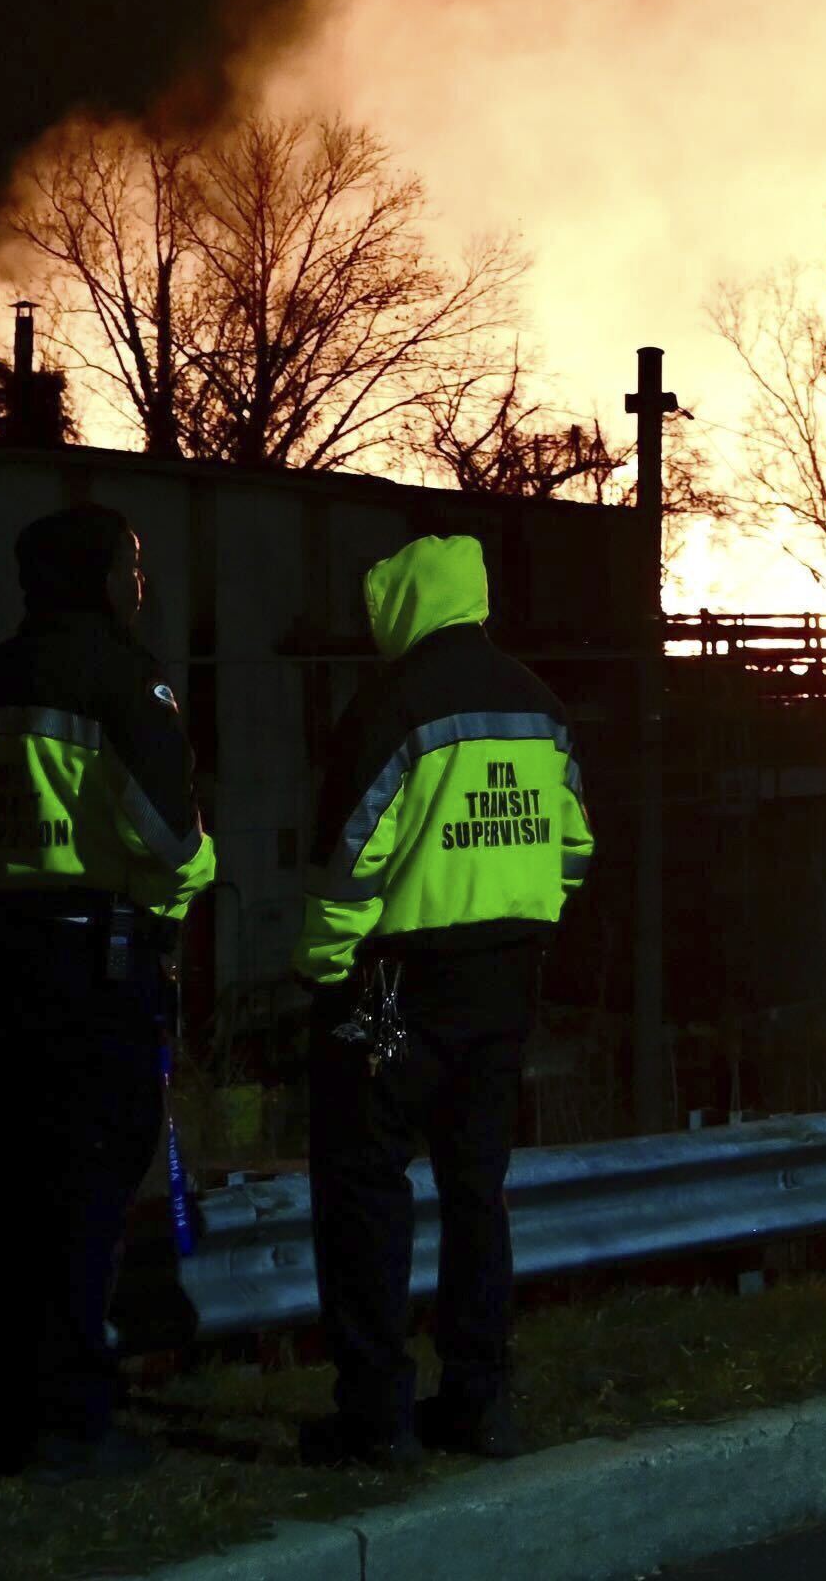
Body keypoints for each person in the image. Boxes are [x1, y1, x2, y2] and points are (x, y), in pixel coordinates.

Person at [0, 502, 215, 1479]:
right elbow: (169, 842)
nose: (141, 583)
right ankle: (73, 1421)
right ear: (94, 575)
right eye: (130, 564)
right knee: (87, 1191)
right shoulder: (127, 684)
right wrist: (175, 893)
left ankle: (7, 1416)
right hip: (98, 964)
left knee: (7, 1190)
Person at [291, 531, 594, 1465]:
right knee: (477, 1194)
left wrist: (323, 966)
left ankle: (378, 1416)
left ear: (405, 604)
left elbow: (349, 861)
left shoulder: (391, 705)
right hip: (507, 983)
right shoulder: (540, 705)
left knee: (365, 1185)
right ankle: (480, 1401)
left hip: (396, 986)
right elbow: (576, 847)